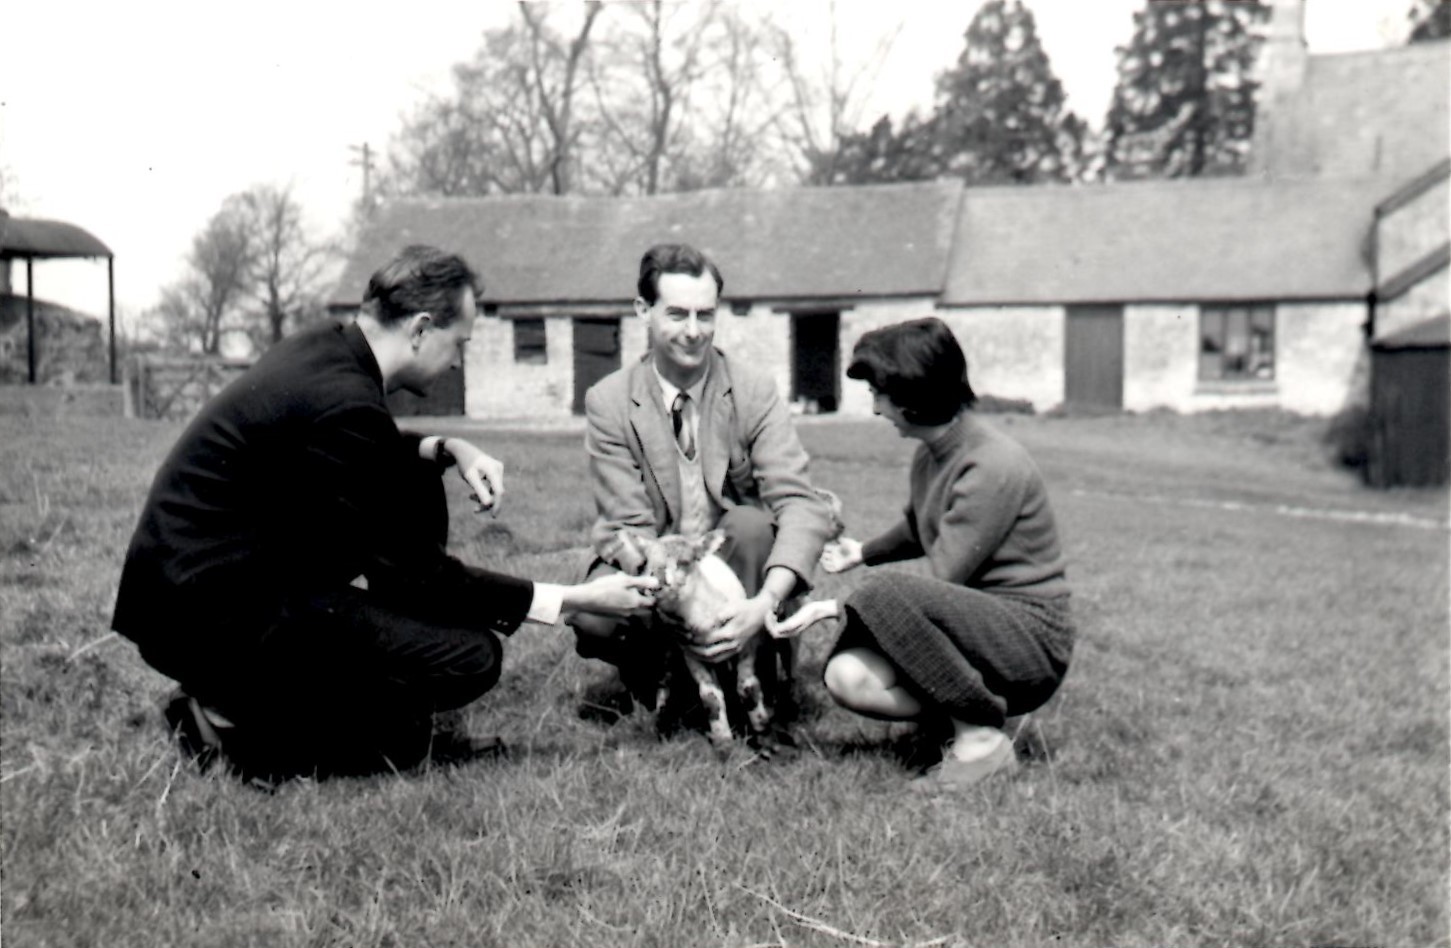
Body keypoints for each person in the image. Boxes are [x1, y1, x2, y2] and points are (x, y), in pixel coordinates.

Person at [112, 244, 656, 783]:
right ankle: (245, 734)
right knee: (470, 657)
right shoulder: (347, 400)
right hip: (215, 618)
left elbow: (360, 448)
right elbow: (420, 574)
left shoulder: (326, 350)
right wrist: (573, 599)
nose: (458, 361)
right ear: (420, 329)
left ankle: (249, 705)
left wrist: (446, 447)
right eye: (457, 343)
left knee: (415, 486)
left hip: (191, 594)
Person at [569, 243, 834, 723]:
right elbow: (629, 523)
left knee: (754, 524)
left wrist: (767, 600)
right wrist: (674, 605)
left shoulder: (753, 389)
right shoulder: (608, 401)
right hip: (660, 567)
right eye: (676, 315)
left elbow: (799, 502)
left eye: (705, 316)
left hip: (734, 566)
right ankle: (659, 679)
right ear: (643, 312)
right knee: (594, 616)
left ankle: (754, 670)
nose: (694, 332)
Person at [819, 317, 1074, 789]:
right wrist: (863, 552)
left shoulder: (991, 464)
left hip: (1032, 640)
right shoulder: (931, 451)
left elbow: (939, 578)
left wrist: (834, 606)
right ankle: (952, 721)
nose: (874, 408)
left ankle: (981, 742)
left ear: (914, 395)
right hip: (979, 630)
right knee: (846, 675)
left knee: (883, 597)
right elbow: (922, 526)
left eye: (879, 393)